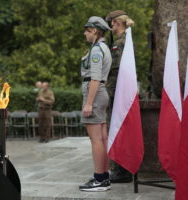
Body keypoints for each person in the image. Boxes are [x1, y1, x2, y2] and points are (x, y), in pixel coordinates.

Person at [78, 16, 112, 192]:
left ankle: (99, 179)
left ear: (94, 31)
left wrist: (88, 103)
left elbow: (95, 78)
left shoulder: (97, 50)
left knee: (96, 139)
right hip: (100, 93)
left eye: (87, 30)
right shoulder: (101, 47)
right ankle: (104, 176)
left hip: (95, 94)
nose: (85, 33)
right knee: (102, 138)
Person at [105, 10, 135, 183]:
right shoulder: (123, 40)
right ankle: (120, 170)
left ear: (117, 22)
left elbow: (117, 72)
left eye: (111, 23)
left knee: (117, 130)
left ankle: (122, 171)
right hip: (116, 93)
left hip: (117, 94)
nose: (110, 27)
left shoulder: (122, 42)